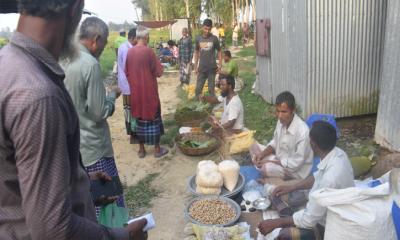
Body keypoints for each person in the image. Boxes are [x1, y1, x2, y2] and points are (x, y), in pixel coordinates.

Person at [0, 0, 147, 239]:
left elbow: (20, 180)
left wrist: (79, 181)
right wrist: (120, 236)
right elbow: (52, 228)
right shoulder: (37, 95)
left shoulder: (8, 63)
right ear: (74, 9)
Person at [63, 17, 126, 216]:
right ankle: (116, 233)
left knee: (87, 204)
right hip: (94, 147)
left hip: (74, 147)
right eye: (104, 43)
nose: (103, 48)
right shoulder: (89, 64)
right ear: (96, 39)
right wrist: (111, 95)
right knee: (108, 203)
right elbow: (99, 113)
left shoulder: (63, 57)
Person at [258, 121, 355, 239]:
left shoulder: (330, 179)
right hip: (317, 208)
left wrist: (276, 223)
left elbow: (309, 220)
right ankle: (288, 217)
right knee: (277, 193)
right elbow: (317, 176)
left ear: (313, 144)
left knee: (285, 235)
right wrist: (291, 187)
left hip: (327, 224)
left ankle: (286, 220)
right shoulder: (338, 154)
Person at [125, 26, 169, 158]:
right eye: (148, 36)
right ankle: (156, 150)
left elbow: (126, 72)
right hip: (149, 92)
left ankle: (142, 150)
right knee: (154, 118)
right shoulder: (149, 52)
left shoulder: (130, 52)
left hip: (136, 93)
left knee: (138, 119)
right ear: (146, 37)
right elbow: (158, 72)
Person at [251, 91, 313, 180]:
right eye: (277, 111)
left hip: (294, 172)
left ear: (293, 110)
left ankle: (274, 174)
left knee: (265, 168)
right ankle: (266, 166)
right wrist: (262, 154)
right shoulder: (281, 122)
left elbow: (296, 164)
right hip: (278, 159)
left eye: (284, 112)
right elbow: (274, 143)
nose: (279, 116)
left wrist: (270, 161)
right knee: (253, 146)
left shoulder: (303, 132)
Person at [194, 19, 222, 98]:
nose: (207, 31)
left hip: (212, 69)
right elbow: (196, 52)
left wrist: (220, 65)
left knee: (211, 90)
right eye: (206, 29)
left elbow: (220, 51)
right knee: (198, 90)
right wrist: (195, 67)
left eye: (209, 29)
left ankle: (211, 106)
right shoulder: (198, 38)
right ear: (202, 27)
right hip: (202, 68)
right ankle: (198, 105)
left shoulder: (214, 38)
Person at [118, 28, 137, 138]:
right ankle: (133, 132)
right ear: (132, 38)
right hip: (128, 84)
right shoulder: (126, 49)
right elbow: (128, 68)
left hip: (126, 83)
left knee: (129, 108)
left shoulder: (125, 46)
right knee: (130, 108)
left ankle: (132, 131)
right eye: (137, 38)